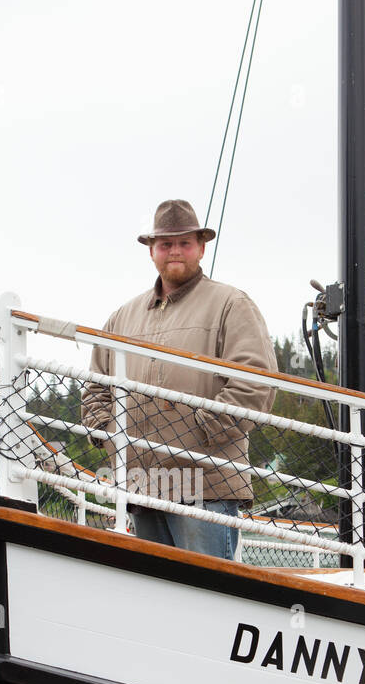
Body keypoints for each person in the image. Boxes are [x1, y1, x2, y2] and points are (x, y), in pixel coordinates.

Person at [80, 199, 277, 560]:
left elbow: (256, 384)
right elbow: (95, 387)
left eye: (184, 243)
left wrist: (199, 432)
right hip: (142, 485)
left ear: (201, 248)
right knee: (157, 600)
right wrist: (110, 436)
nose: (175, 251)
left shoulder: (231, 304)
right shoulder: (122, 317)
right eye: (165, 244)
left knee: (210, 596)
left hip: (207, 484)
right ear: (151, 251)